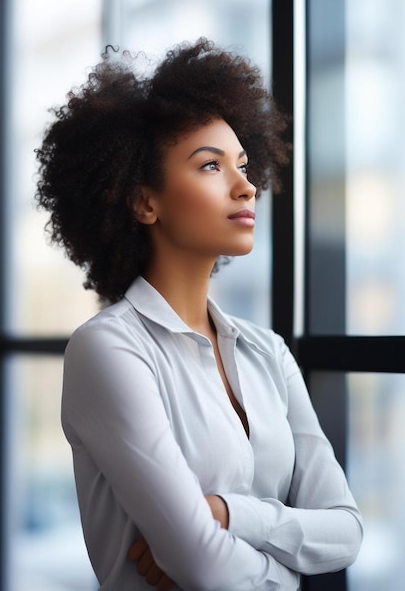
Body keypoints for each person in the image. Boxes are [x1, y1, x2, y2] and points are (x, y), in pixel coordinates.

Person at [35, 38, 363, 591]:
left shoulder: (268, 352)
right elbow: (205, 568)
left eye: (242, 163)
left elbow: (348, 533)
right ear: (144, 202)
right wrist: (287, 569)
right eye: (211, 165)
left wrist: (228, 515)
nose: (247, 185)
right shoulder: (108, 350)